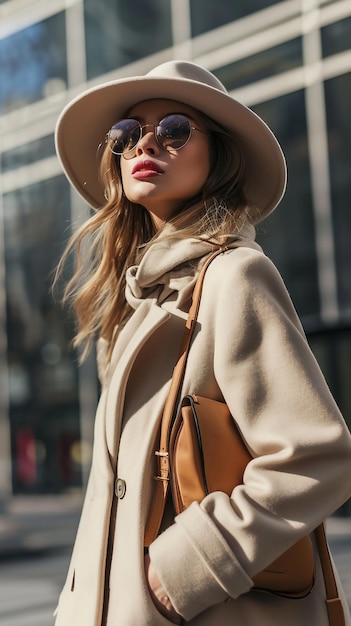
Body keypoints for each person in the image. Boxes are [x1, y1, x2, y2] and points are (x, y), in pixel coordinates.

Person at [54, 60, 351, 626]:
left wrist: (188, 569)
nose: (146, 142)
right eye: (125, 134)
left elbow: (318, 458)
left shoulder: (236, 277)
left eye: (174, 129)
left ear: (218, 154)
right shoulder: (134, 302)